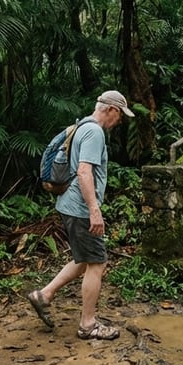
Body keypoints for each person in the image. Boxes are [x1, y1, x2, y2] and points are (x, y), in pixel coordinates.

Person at [26, 90, 134, 341]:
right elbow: (84, 172)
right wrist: (94, 210)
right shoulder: (95, 132)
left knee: (85, 258)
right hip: (81, 208)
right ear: (112, 110)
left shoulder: (81, 126)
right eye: (120, 116)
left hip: (70, 204)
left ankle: (44, 294)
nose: (118, 122)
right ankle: (88, 324)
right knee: (97, 262)